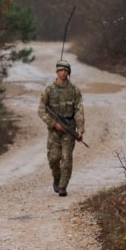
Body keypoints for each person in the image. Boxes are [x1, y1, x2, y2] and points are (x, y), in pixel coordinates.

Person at [37, 59, 85, 197]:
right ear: (57, 72)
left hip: (69, 129)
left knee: (66, 159)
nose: (63, 73)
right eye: (61, 70)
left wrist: (80, 129)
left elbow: (79, 110)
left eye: (66, 71)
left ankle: (63, 186)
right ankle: (57, 179)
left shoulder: (74, 90)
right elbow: (41, 110)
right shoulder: (48, 90)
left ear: (68, 73)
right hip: (54, 131)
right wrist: (53, 124)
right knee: (53, 159)